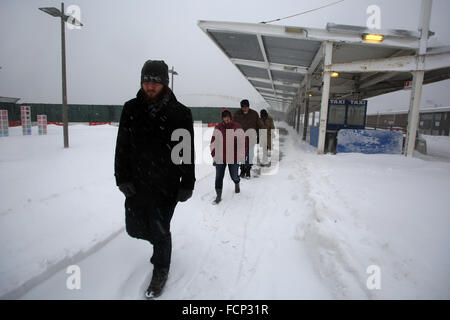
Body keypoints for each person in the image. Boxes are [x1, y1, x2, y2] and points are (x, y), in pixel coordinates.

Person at [114, 60, 195, 299]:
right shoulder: (131, 108)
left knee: (160, 229)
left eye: (155, 82)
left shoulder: (180, 113)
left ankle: (161, 267)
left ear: (165, 83)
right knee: (134, 227)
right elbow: (122, 145)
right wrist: (121, 177)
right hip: (137, 182)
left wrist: (187, 182)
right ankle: (160, 246)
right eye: (146, 81)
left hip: (165, 183)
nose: (149, 86)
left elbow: (185, 152)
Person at [210, 109, 245, 204]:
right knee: (218, 177)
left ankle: (237, 183)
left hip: (233, 157)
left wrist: (241, 155)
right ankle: (218, 195)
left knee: (234, 175)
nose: (226, 120)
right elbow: (213, 142)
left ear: (230, 117)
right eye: (224, 118)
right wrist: (214, 156)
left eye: (228, 118)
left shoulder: (237, 127)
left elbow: (242, 143)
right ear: (222, 118)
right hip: (220, 157)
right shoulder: (218, 127)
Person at [233, 99, 265, 178]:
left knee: (250, 155)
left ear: (248, 106)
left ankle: (248, 170)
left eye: (246, 107)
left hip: (251, 138)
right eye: (243, 107)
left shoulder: (254, 114)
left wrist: (259, 136)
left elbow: (260, 126)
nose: (245, 109)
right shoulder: (237, 114)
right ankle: (243, 169)